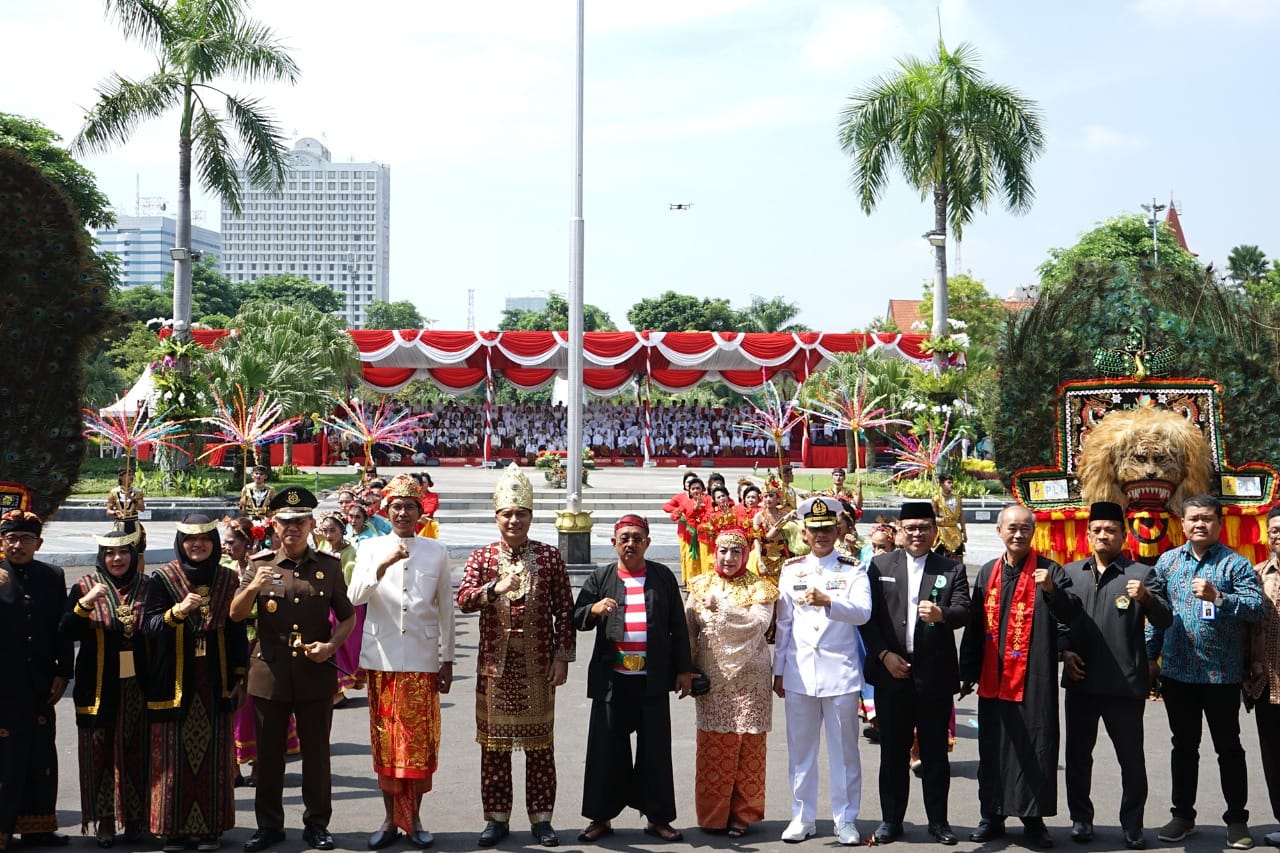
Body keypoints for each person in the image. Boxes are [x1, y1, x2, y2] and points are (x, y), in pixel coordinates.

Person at [456, 464, 575, 848]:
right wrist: (494, 588)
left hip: (538, 668)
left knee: (541, 746)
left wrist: (562, 658)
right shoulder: (482, 558)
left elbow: (565, 611)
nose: (513, 520)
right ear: (497, 517)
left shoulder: (549, 556)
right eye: (507, 513)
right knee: (494, 747)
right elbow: (464, 601)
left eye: (520, 513)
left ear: (530, 516)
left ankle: (542, 818)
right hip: (494, 668)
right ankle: (496, 818)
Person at [230, 489, 355, 853]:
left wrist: (331, 646)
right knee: (268, 756)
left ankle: (317, 824)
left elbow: (346, 617)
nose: (293, 529)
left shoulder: (328, 568)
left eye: (300, 521)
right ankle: (269, 825)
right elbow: (236, 615)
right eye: (285, 522)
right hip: (270, 673)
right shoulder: (260, 564)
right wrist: (254, 584)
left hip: (314, 672)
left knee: (316, 754)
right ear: (274, 526)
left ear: (311, 524)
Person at [1146, 494, 1263, 849]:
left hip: (1221, 676)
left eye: (1207, 518)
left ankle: (1237, 820)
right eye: (1193, 518)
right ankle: (1183, 814)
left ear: (1218, 522)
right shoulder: (1167, 562)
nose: (1200, 524)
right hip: (1178, 674)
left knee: (1228, 747)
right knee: (1183, 746)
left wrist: (1219, 597)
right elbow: (1157, 614)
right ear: (1182, 523)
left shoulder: (1234, 565)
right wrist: (1151, 658)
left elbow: (1256, 608)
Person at [959, 504, 1080, 848]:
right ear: (1000, 531)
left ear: (1033, 532)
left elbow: (1071, 617)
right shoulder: (986, 573)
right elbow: (974, 626)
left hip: (1034, 680)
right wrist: (967, 671)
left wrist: (1052, 592)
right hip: (993, 679)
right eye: (1012, 528)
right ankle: (992, 815)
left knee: (1035, 746)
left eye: (1025, 528)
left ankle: (1033, 818)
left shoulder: (1049, 571)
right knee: (993, 747)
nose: (1018, 534)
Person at [347, 475, 454, 850]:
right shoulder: (371, 547)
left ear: (420, 511)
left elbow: (446, 611)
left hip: (422, 662)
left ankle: (416, 818)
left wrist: (448, 659)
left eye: (410, 506)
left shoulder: (436, 551)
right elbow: (355, 597)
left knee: (419, 745)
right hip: (383, 660)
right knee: (386, 745)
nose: (403, 512)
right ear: (386, 511)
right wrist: (383, 565)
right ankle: (391, 820)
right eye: (396, 506)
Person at [573, 514, 693, 845]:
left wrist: (683, 669)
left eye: (637, 538)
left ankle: (658, 819)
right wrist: (594, 610)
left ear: (648, 543)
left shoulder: (662, 576)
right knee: (605, 750)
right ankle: (601, 817)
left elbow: (677, 627)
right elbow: (576, 617)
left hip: (651, 680)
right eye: (624, 538)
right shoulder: (601, 577)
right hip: (612, 680)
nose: (630, 543)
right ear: (613, 543)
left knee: (655, 751)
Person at [1059, 501, 1172, 849]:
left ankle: (1132, 824)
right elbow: (1058, 620)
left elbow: (1166, 621)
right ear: (1088, 534)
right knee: (1078, 755)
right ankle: (1081, 819)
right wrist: (1064, 651)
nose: (1103, 535)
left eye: (1111, 529)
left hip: (1125, 683)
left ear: (1124, 534)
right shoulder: (1070, 573)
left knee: (1131, 759)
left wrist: (1149, 600)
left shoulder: (1141, 574)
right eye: (1097, 530)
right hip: (1081, 681)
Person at [859, 502, 970, 846]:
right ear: (898, 529)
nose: (917, 533)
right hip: (892, 672)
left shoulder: (951, 569)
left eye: (924, 527)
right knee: (893, 752)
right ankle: (892, 820)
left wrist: (942, 615)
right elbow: (868, 618)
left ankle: (939, 821)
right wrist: (883, 655)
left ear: (935, 530)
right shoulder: (879, 566)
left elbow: (965, 609)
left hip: (934, 675)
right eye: (911, 527)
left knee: (935, 753)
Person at [143, 514, 249, 853]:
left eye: (204, 538)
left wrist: (239, 675)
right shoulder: (161, 579)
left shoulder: (228, 579)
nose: (197, 544)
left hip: (214, 679)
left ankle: (209, 829)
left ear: (215, 543)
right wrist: (177, 613)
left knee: (214, 755)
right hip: (172, 677)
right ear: (180, 543)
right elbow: (149, 626)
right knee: (171, 755)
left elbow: (235, 632)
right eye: (190, 540)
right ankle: (171, 829)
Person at [772, 496, 873, 846]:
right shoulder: (791, 569)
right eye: (815, 530)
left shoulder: (852, 568)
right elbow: (784, 624)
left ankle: (846, 819)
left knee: (844, 751)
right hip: (800, 672)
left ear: (839, 529)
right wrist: (779, 670)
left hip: (840, 672)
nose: (822, 535)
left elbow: (863, 612)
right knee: (801, 751)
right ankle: (802, 817)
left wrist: (831, 601)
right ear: (804, 532)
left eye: (828, 528)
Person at [685, 528, 778, 838]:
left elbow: (759, 625)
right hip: (713, 678)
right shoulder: (699, 585)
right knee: (714, 745)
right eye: (723, 551)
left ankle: (743, 815)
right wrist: (687, 669)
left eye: (735, 552)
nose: (728, 558)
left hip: (752, 679)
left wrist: (723, 609)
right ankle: (713, 816)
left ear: (746, 554)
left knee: (749, 746)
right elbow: (688, 630)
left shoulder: (760, 587)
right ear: (715, 552)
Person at [61, 529, 151, 847]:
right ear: (102, 556)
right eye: (110, 554)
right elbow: (65, 631)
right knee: (100, 753)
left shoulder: (147, 587)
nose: (117, 559)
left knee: (136, 752)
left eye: (123, 553)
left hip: (139, 688)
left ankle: (137, 820)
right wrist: (85, 604)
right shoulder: (84, 586)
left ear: (132, 556)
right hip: (97, 687)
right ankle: (105, 821)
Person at [0, 509, 73, 851]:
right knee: (6, 756)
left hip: (40, 682)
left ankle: (38, 827)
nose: (18, 545)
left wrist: (63, 672)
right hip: (4, 684)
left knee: (40, 753)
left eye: (26, 539)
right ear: (2, 542)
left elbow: (62, 628)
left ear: (39, 543)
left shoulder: (52, 575)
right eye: (11, 538)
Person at [221, 518, 300, 788]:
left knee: (259, 704)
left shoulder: (264, 567)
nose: (226, 546)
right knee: (231, 703)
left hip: (258, 642)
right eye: (226, 541)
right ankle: (231, 766)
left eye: (232, 542)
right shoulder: (223, 569)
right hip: (231, 640)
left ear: (247, 543)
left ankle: (259, 765)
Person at [1245, 506, 1280, 848]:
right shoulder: (1256, 575)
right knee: (1274, 759)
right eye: (1273, 530)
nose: (1278, 535)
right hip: (1266, 683)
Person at [314, 512, 363, 706]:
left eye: (332, 530)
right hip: (325, 602)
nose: (328, 535)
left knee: (339, 645)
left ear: (342, 530)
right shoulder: (323, 547)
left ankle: (339, 691)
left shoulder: (349, 553)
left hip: (343, 604)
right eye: (324, 531)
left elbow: (349, 582)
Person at [663, 476, 712, 583]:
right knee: (691, 559)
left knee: (706, 559)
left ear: (703, 489)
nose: (695, 491)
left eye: (698, 488)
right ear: (689, 490)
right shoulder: (686, 502)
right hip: (690, 535)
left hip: (704, 535)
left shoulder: (708, 499)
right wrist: (683, 512)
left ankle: (706, 582)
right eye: (693, 488)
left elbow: (710, 512)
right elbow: (673, 516)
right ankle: (692, 583)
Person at [105, 467, 146, 553]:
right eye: (128, 475)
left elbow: (142, 508)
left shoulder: (137, 492)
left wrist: (133, 499)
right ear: (121, 477)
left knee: (138, 553)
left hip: (134, 524)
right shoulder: (114, 492)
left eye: (132, 475)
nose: (131, 477)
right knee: (120, 550)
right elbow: (108, 511)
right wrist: (115, 512)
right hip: (120, 525)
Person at [931, 475, 966, 560]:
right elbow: (932, 518)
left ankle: (959, 571)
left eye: (952, 483)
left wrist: (964, 531)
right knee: (939, 556)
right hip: (943, 531)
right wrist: (941, 520)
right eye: (949, 483)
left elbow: (961, 516)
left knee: (959, 555)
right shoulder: (936, 499)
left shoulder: (957, 498)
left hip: (955, 531)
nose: (951, 485)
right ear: (942, 484)